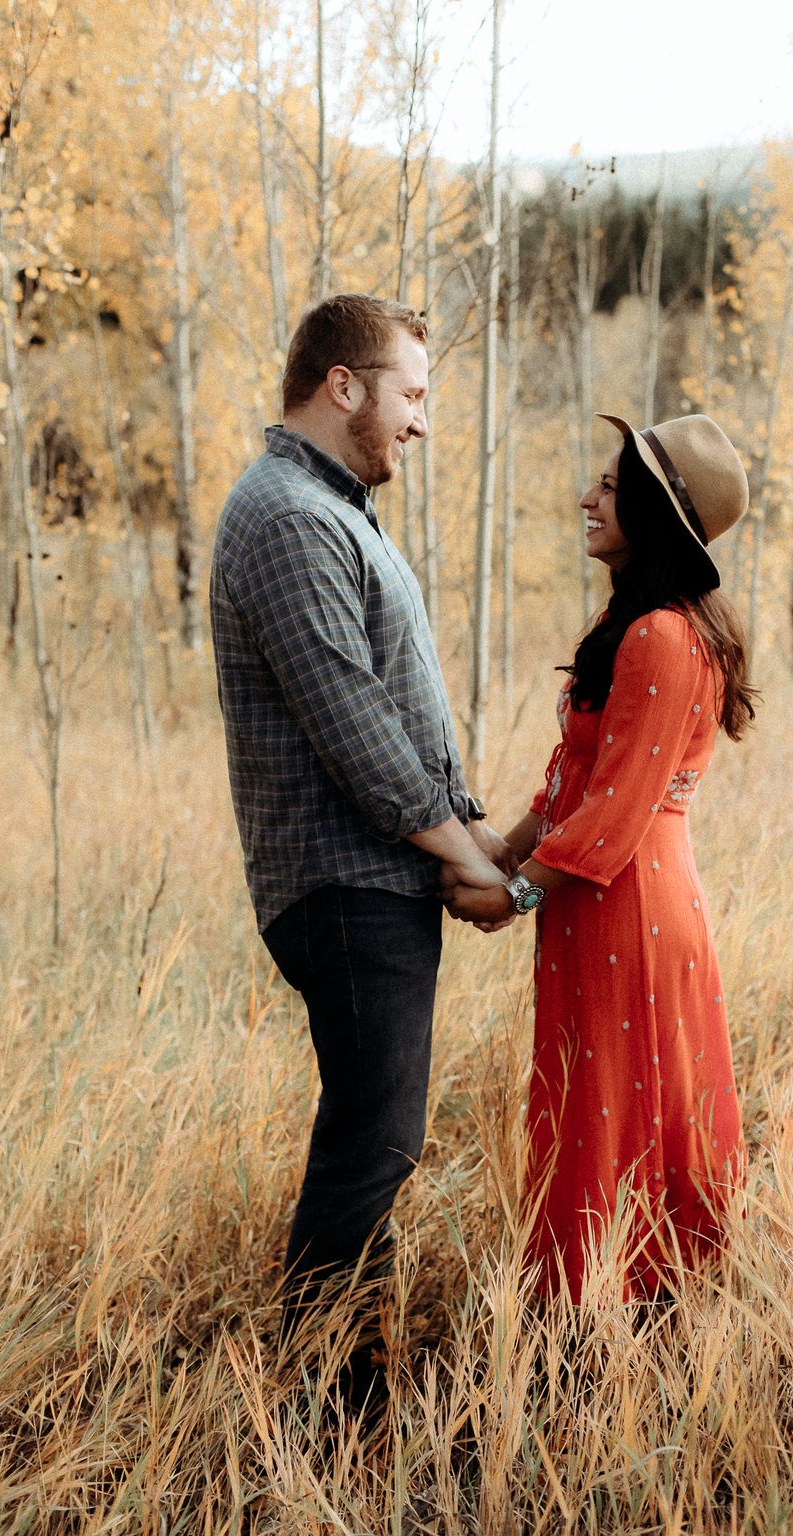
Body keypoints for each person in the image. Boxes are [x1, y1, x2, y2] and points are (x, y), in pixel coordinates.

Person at [209, 294, 512, 1397]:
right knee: (368, 1153)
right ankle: (323, 1413)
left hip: (373, 879)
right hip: (342, 888)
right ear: (344, 385)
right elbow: (355, 726)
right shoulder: (286, 515)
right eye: (412, 394)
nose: (421, 423)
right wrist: (483, 869)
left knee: (374, 1148)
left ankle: (354, 1388)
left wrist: (480, 833)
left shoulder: (329, 507)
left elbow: (402, 710)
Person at [442, 412, 757, 1302]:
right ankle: (608, 1304)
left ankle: (610, 1310)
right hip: (609, 893)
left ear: (655, 512)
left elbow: (615, 809)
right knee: (602, 1100)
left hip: (630, 899)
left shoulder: (663, 635)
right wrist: (500, 850)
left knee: (620, 1104)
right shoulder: (639, 623)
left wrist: (512, 899)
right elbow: (575, 782)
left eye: (611, 487)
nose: (588, 497)